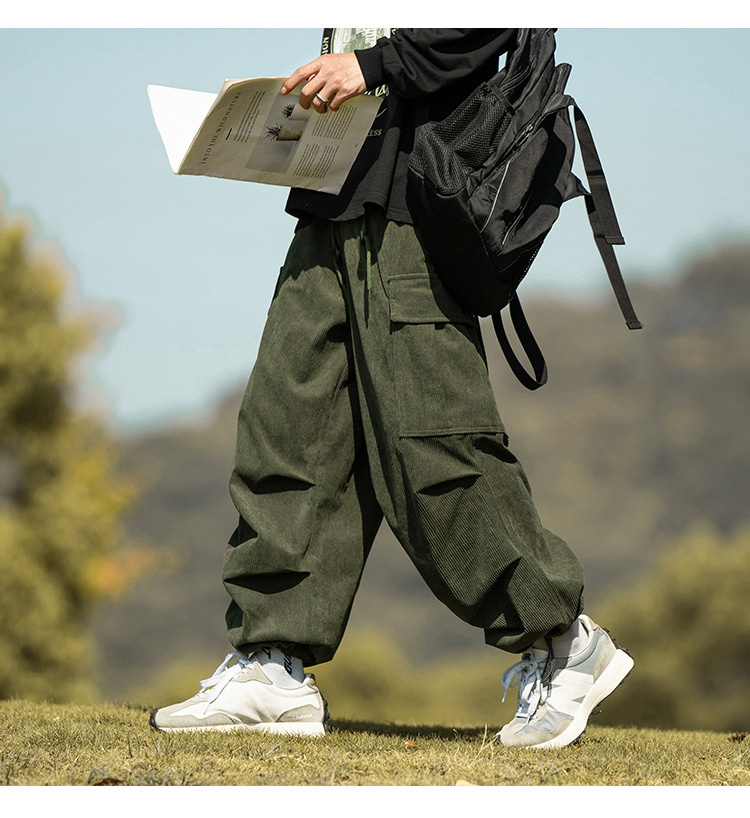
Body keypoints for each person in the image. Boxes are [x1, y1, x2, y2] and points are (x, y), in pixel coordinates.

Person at [150, 28, 633, 749]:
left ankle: (565, 642)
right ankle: (272, 666)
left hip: (419, 199)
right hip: (331, 194)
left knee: (429, 444)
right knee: (289, 429)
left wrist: (371, 65)